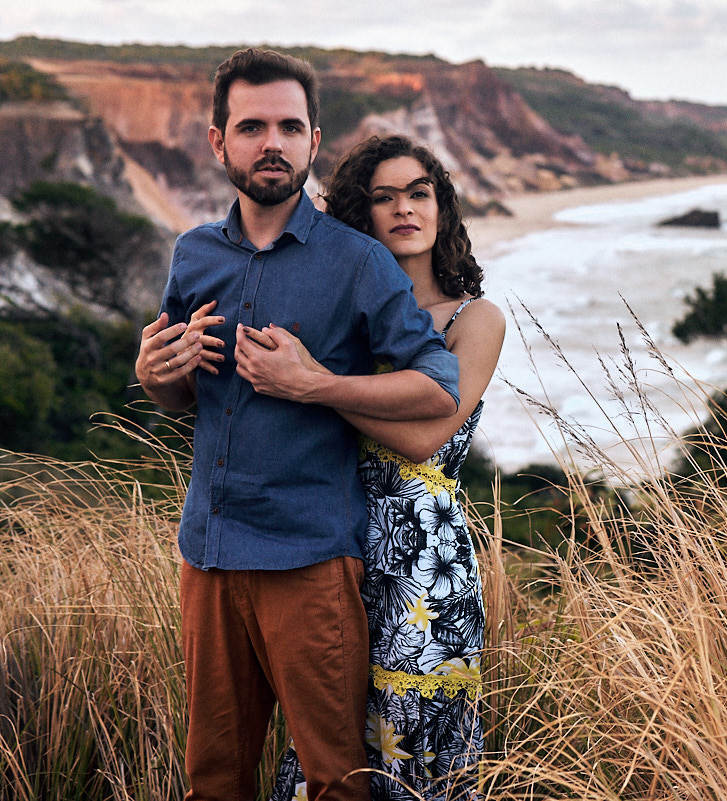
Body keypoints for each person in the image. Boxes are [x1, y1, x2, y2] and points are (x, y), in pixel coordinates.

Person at [134, 51, 460, 801]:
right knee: (213, 778)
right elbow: (181, 394)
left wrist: (315, 383)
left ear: (315, 140)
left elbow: (438, 386)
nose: (270, 142)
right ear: (219, 143)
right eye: (251, 127)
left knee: (335, 782)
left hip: (310, 562)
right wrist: (157, 378)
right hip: (207, 556)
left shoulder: (359, 263)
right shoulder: (193, 255)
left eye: (288, 126)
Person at [244, 135, 505, 801]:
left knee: (409, 745)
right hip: (329, 539)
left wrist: (314, 384)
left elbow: (427, 436)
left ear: (441, 206)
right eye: (382, 197)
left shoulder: (476, 319)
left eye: (419, 192)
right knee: (324, 740)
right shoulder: (342, 317)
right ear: (359, 214)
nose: (404, 209)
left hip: (425, 564)